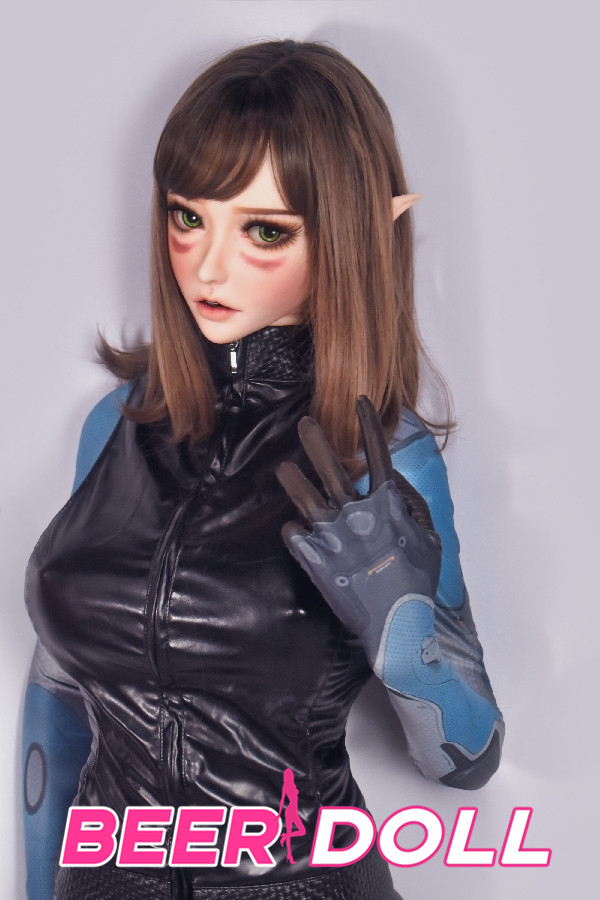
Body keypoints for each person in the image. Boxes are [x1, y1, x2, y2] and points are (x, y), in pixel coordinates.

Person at [22, 39, 504, 900]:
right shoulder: (114, 425)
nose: (208, 266)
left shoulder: (378, 453)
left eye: (266, 231)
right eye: (188, 217)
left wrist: (403, 637)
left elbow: (469, 759)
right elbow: (59, 708)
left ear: (350, 237)